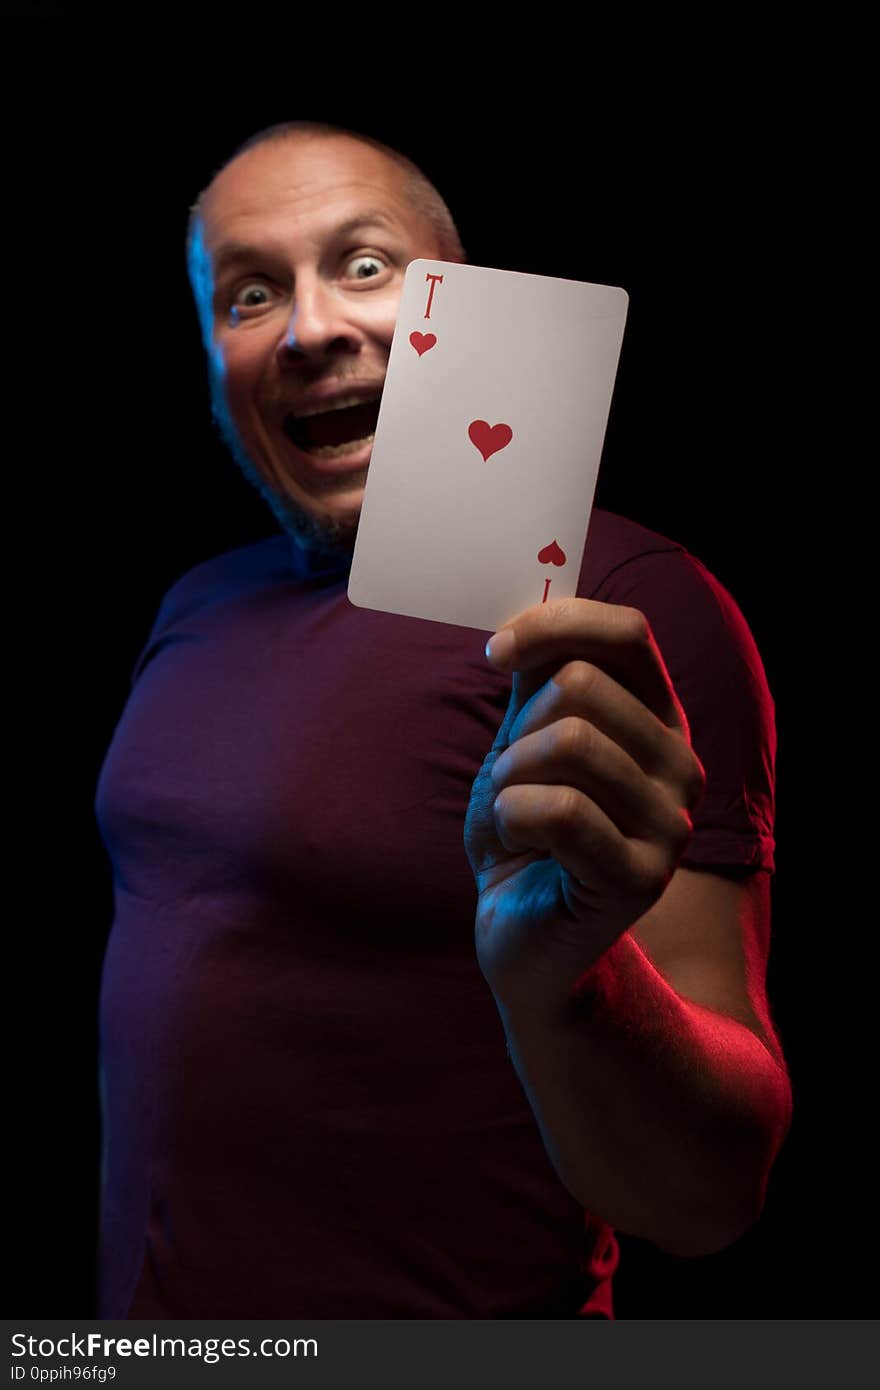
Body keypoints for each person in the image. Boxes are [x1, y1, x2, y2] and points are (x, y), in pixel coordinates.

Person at [94, 120, 792, 1319]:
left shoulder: (618, 603)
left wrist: (564, 981)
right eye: (249, 292)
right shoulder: (197, 601)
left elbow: (704, 1197)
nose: (311, 329)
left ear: (464, 304)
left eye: (363, 265)